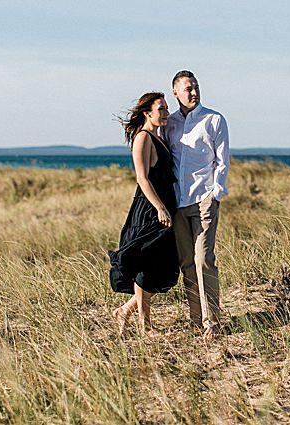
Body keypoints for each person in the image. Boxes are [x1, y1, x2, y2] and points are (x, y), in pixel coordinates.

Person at [107, 92, 179, 335]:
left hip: (165, 207)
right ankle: (144, 325)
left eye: (167, 108)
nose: (166, 113)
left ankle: (123, 312)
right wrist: (159, 207)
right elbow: (142, 178)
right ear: (148, 112)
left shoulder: (160, 138)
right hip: (150, 210)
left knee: (160, 264)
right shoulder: (143, 138)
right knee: (147, 263)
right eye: (161, 108)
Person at [166, 70, 229, 339]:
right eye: (188, 88)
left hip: (204, 198)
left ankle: (212, 322)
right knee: (187, 263)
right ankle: (196, 320)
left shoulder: (214, 119)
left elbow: (222, 160)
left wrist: (216, 193)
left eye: (196, 87)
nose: (194, 92)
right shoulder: (168, 124)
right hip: (178, 202)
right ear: (176, 93)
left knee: (204, 259)